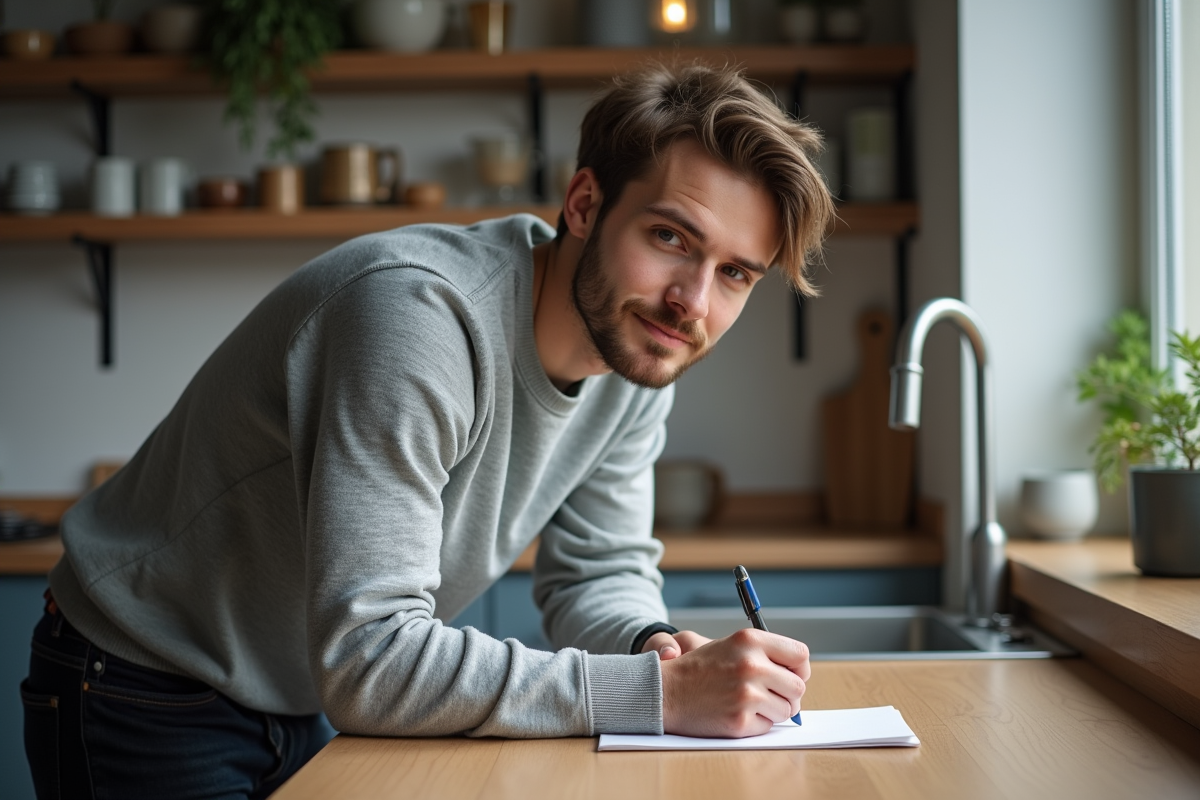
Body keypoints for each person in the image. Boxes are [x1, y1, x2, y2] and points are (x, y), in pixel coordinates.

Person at [21, 61, 834, 799]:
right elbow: (371, 657)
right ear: (585, 205)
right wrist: (656, 697)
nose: (692, 302)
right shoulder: (419, 319)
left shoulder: (638, 353)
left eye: (733, 274)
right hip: (140, 677)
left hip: (293, 687)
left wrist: (656, 649)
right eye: (670, 238)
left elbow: (597, 572)